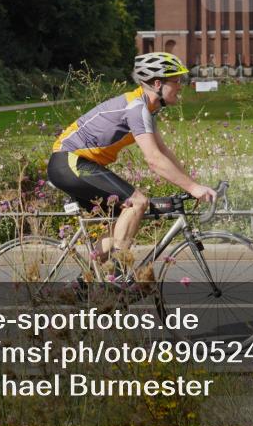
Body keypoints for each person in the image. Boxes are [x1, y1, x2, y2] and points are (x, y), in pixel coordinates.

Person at [47, 52, 217, 268]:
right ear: (157, 84)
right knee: (138, 202)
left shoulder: (147, 109)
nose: (181, 85)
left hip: (80, 164)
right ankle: (117, 274)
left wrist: (192, 184)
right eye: (177, 80)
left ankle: (86, 283)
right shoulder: (136, 108)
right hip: (69, 162)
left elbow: (163, 152)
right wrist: (193, 187)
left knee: (125, 219)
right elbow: (154, 160)